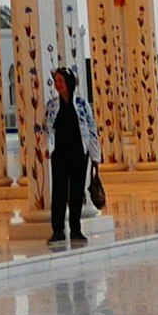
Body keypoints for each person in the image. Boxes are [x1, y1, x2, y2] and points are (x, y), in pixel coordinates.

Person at [44, 62, 98, 244]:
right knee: (59, 192)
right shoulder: (52, 106)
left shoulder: (82, 105)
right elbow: (47, 129)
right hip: (60, 155)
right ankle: (58, 230)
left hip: (78, 154)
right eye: (55, 81)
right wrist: (47, 148)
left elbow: (91, 129)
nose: (57, 84)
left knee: (77, 191)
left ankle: (76, 228)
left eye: (60, 80)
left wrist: (95, 155)